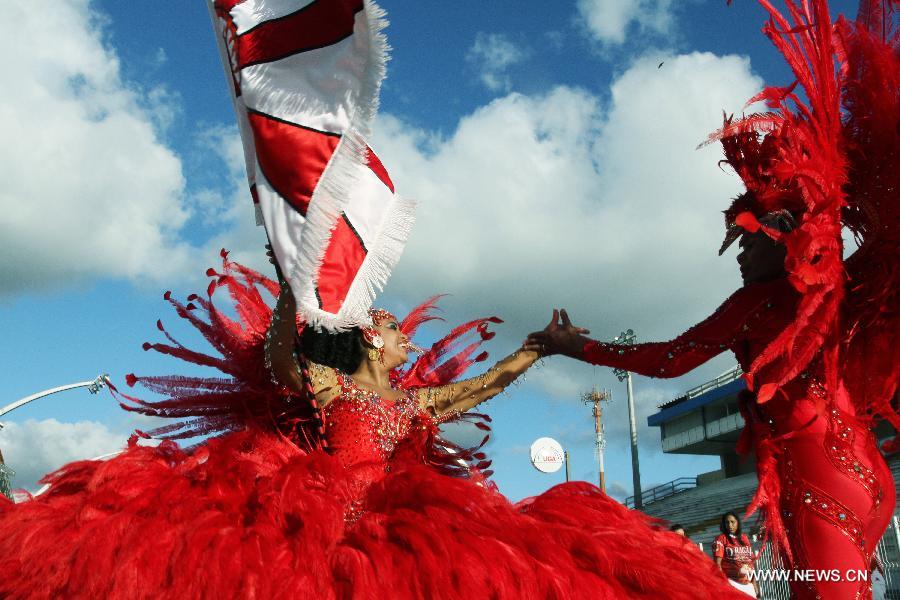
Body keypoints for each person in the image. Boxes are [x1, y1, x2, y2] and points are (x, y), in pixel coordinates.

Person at [0, 255, 746, 599]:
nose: (404, 336)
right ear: (367, 343)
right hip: (324, 533)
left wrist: (535, 349)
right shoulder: (326, 385)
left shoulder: (415, 406)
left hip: (411, 534)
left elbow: (483, 386)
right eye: (391, 327)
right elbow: (284, 355)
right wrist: (295, 286)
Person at [526, 1, 898, 598]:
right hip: (868, 474)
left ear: (791, 244)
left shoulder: (756, 305)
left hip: (819, 482)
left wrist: (578, 348)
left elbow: (669, 360)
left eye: (754, 239)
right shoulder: (841, 293)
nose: (742, 255)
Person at [713, 512, 759, 598]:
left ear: (737, 522)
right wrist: (723, 583)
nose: (730, 525)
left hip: (748, 584)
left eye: (732, 522)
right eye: (727, 522)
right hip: (732, 582)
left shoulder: (744, 538)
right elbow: (717, 564)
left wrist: (754, 585)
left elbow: (751, 564)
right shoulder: (721, 539)